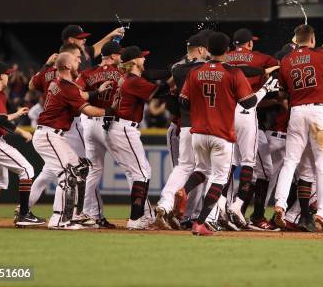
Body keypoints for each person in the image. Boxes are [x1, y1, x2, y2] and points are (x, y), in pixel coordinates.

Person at [178, 32, 278, 235]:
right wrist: (265, 90)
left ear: (207, 49)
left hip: (198, 132)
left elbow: (184, 101)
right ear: (226, 51)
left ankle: (183, 190)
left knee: (202, 170)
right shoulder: (233, 73)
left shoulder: (196, 71)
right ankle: (201, 223)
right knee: (219, 179)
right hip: (221, 132)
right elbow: (248, 103)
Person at [274, 24, 323, 233]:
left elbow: (282, 94)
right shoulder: (322, 55)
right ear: (312, 39)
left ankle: (280, 204)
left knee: (290, 162)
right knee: (322, 163)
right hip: (318, 113)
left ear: (296, 40)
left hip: (296, 113)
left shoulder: (286, 60)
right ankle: (322, 212)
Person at [31, 52, 110, 229]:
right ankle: (58, 219)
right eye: (76, 60)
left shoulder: (59, 83)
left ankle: (75, 214)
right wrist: (113, 111)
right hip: (48, 135)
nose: (80, 61)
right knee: (68, 175)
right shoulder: (66, 87)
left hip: (53, 134)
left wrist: (97, 92)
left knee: (81, 168)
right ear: (67, 66)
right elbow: (89, 110)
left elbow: (79, 96)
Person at [0, 61, 45, 229]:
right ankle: (24, 215)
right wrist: (22, 132)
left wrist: (16, 114)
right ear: (1, 76)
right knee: (27, 170)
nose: (8, 77)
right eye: (7, 74)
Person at [107, 46, 171, 230]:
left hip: (118, 128)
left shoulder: (127, 79)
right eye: (141, 58)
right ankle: (136, 219)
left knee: (136, 173)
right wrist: (175, 75)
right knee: (142, 173)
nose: (144, 60)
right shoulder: (133, 81)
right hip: (124, 128)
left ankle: (145, 215)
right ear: (134, 61)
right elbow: (160, 91)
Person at [224, 28, 280, 230]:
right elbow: (279, 66)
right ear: (249, 44)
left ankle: (223, 208)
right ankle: (251, 213)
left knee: (229, 164)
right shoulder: (259, 58)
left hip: (225, 114)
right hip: (247, 112)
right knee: (263, 169)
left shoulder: (225, 57)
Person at [156, 34, 209, 230]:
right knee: (207, 172)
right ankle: (204, 217)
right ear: (202, 50)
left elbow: (167, 84)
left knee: (182, 168)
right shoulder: (206, 68)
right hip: (206, 126)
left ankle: (165, 204)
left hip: (186, 125)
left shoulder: (177, 69)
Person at [77, 41, 124, 229]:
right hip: (108, 122)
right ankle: (143, 215)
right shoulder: (121, 73)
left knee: (93, 170)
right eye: (119, 55)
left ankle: (86, 213)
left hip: (88, 122)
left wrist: (94, 92)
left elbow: (77, 93)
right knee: (134, 169)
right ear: (113, 56)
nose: (121, 58)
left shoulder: (87, 73)